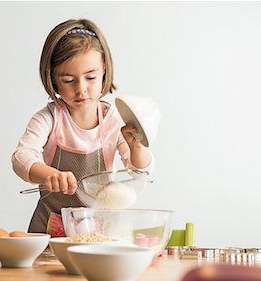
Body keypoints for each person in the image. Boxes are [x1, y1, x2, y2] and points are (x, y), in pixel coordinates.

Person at [12, 18, 155, 236]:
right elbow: (21, 157)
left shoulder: (114, 121)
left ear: (104, 70)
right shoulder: (49, 118)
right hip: (49, 228)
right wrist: (48, 174)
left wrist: (137, 147)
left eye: (90, 77)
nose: (81, 89)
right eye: (69, 80)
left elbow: (140, 171)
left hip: (97, 229)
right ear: (53, 79)